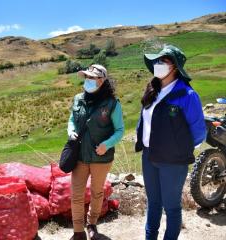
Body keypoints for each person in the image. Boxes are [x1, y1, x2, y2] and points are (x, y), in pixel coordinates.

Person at [135, 45, 206, 240]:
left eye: (163, 61)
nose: (158, 65)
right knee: (153, 203)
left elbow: (199, 132)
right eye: (156, 61)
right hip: (149, 156)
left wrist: (178, 149)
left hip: (173, 161)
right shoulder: (152, 89)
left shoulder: (187, 95)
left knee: (172, 206)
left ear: (174, 67)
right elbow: (144, 119)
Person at [68, 64, 124, 240]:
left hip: (101, 157)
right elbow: (71, 120)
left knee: (97, 193)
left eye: (91, 78)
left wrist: (107, 144)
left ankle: (92, 225)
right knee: (76, 194)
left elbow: (120, 130)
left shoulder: (112, 104)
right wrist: (70, 131)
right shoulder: (78, 99)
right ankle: (78, 231)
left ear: (102, 80)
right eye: (86, 77)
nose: (87, 81)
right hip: (80, 156)